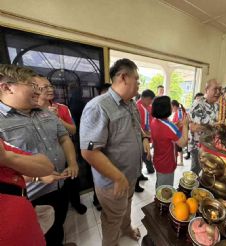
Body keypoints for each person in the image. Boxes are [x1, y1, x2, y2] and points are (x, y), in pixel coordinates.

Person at [0, 64, 79, 246]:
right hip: (30, 195)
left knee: (58, 224)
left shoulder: (45, 112)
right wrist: (36, 177)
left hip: (60, 183)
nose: (38, 92)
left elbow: (64, 138)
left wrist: (72, 163)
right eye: (32, 86)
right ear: (7, 87)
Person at [80, 58, 150, 245]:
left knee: (126, 207)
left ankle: (126, 228)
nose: (139, 84)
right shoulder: (98, 106)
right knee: (112, 218)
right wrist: (118, 177)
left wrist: (144, 138)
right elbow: (89, 152)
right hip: (113, 182)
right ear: (124, 77)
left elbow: (136, 128)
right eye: (137, 79)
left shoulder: (130, 103)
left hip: (130, 175)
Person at [35, 76, 87, 215]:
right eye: (45, 87)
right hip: (43, 158)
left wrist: (57, 119)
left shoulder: (62, 108)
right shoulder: (30, 111)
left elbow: (73, 130)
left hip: (65, 153)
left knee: (72, 181)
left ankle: (76, 203)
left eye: (50, 86)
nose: (50, 89)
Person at [0, 138, 54, 246]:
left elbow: (46, 167)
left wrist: (6, 158)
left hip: (31, 232)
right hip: (35, 193)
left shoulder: (3, 147)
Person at [151, 96, 188, 188]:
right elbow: (183, 143)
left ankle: (158, 198)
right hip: (167, 163)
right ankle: (160, 201)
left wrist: (175, 125)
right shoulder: (169, 126)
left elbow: (165, 133)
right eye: (170, 104)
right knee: (165, 191)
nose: (172, 107)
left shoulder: (154, 121)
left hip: (158, 160)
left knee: (160, 184)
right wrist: (185, 125)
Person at [189, 79, 221, 175]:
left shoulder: (217, 106)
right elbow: (194, 128)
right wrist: (214, 127)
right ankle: (188, 188)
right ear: (207, 89)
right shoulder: (198, 104)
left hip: (211, 145)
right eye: (215, 89)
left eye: (220, 89)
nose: (218, 92)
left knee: (208, 171)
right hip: (198, 146)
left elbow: (218, 125)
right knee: (195, 171)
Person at [135, 89, 156, 191]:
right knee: (138, 159)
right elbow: (137, 125)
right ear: (145, 98)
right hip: (140, 137)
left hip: (146, 136)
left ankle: (140, 174)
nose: (150, 103)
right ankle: (136, 184)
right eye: (150, 101)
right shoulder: (137, 107)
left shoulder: (147, 106)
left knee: (143, 157)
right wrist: (145, 135)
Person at [184, 92, 204, 160]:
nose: (199, 101)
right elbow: (189, 122)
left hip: (202, 141)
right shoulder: (192, 109)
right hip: (194, 139)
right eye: (198, 99)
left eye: (201, 99)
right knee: (195, 162)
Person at [171, 99, 187, 166]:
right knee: (178, 148)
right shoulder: (179, 111)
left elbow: (180, 123)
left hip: (178, 133)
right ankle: (179, 161)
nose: (171, 109)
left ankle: (180, 161)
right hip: (178, 132)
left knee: (178, 148)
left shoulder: (179, 112)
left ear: (174, 106)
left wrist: (171, 124)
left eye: (171, 107)